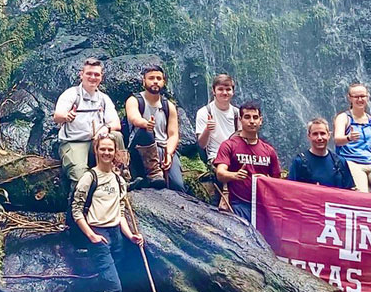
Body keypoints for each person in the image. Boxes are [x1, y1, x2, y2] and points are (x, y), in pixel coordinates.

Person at [72, 132, 144, 292]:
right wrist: (91, 235)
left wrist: (130, 235)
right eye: (102, 148)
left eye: (110, 149)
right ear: (96, 150)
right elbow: (76, 211)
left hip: (116, 235)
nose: (106, 152)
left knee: (106, 283)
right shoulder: (89, 178)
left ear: (115, 153)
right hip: (98, 233)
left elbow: (120, 212)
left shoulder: (119, 180)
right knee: (114, 287)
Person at [54, 57, 120, 196]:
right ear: (81, 74)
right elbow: (57, 116)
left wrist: (105, 129)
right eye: (89, 73)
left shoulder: (104, 99)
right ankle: (78, 206)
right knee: (80, 178)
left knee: (116, 136)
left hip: (96, 142)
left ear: (101, 77)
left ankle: (120, 175)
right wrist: (67, 116)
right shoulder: (71, 94)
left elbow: (116, 124)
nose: (92, 77)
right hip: (74, 142)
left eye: (96, 74)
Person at [212, 100, 280, 222]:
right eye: (247, 117)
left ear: (261, 120)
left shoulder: (269, 151)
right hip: (238, 204)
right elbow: (220, 173)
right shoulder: (229, 145)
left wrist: (266, 180)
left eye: (255, 117)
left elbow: (277, 182)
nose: (252, 121)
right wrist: (235, 175)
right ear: (240, 120)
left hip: (263, 206)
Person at [124, 63, 186, 191]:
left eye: (159, 78)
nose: (155, 81)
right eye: (151, 78)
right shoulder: (134, 100)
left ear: (163, 81)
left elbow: (173, 135)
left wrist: (169, 154)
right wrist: (145, 123)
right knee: (146, 131)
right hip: (140, 148)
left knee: (178, 186)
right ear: (144, 81)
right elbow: (133, 117)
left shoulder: (168, 106)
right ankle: (152, 173)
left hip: (163, 148)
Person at [334, 84, 371, 193]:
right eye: (356, 97)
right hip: (352, 162)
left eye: (363, 96)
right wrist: (348, 138)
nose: (360, 99)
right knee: (362, 192)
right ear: (349, 98)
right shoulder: (343, 118)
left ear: (367, 97)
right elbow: (337, 140)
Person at [287, 118, 355, 189]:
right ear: (309, 136)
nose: (319, 138)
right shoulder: (299, 162)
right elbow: (291, 191)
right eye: (315, 134)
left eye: (322, 133)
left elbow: (349, 192)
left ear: (329, 135)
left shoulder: (341, 162)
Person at [194, 74, 239, 158]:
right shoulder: (204, 112)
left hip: (236, 156)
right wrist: (207, 129)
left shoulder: (238, 113)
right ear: (214, 91)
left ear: (233, 92)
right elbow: (202, 145)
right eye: (220, 89)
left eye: (228, 89)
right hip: (215, 156)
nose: (224, 93)